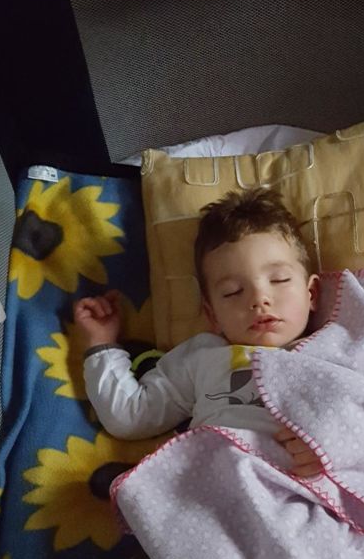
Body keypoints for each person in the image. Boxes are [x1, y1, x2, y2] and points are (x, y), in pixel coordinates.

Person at [74, 187, 323, 477]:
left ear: (312, 293)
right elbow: (130, 416)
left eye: (279, 279)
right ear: (212, 314)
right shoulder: (203, 357)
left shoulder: (337, 348)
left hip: (302, 490)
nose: (259, 299)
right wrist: (102, 345)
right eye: (233, 292)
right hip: (214, 484)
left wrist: (332, 451)